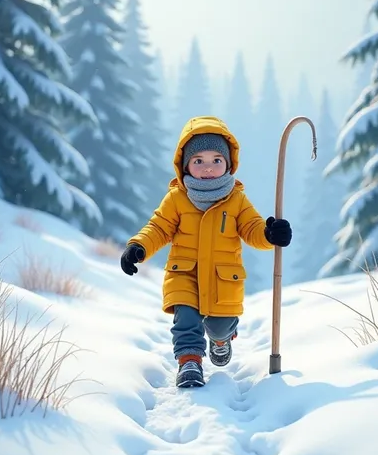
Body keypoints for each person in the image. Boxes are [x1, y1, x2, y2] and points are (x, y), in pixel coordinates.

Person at [120, 116, 292, 388]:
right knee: (186, 320)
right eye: (198, 160)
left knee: (220, 325)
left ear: (228, 164)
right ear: (185, 164)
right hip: (184, 273)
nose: (208, 167)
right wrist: (138, 246)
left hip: (222, 279)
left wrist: (269, 234)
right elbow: (159, 227)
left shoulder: (236, 199)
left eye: (216, 160)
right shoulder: (177, 197)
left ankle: (222, 341)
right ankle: (189, 363)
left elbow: (252, 228)